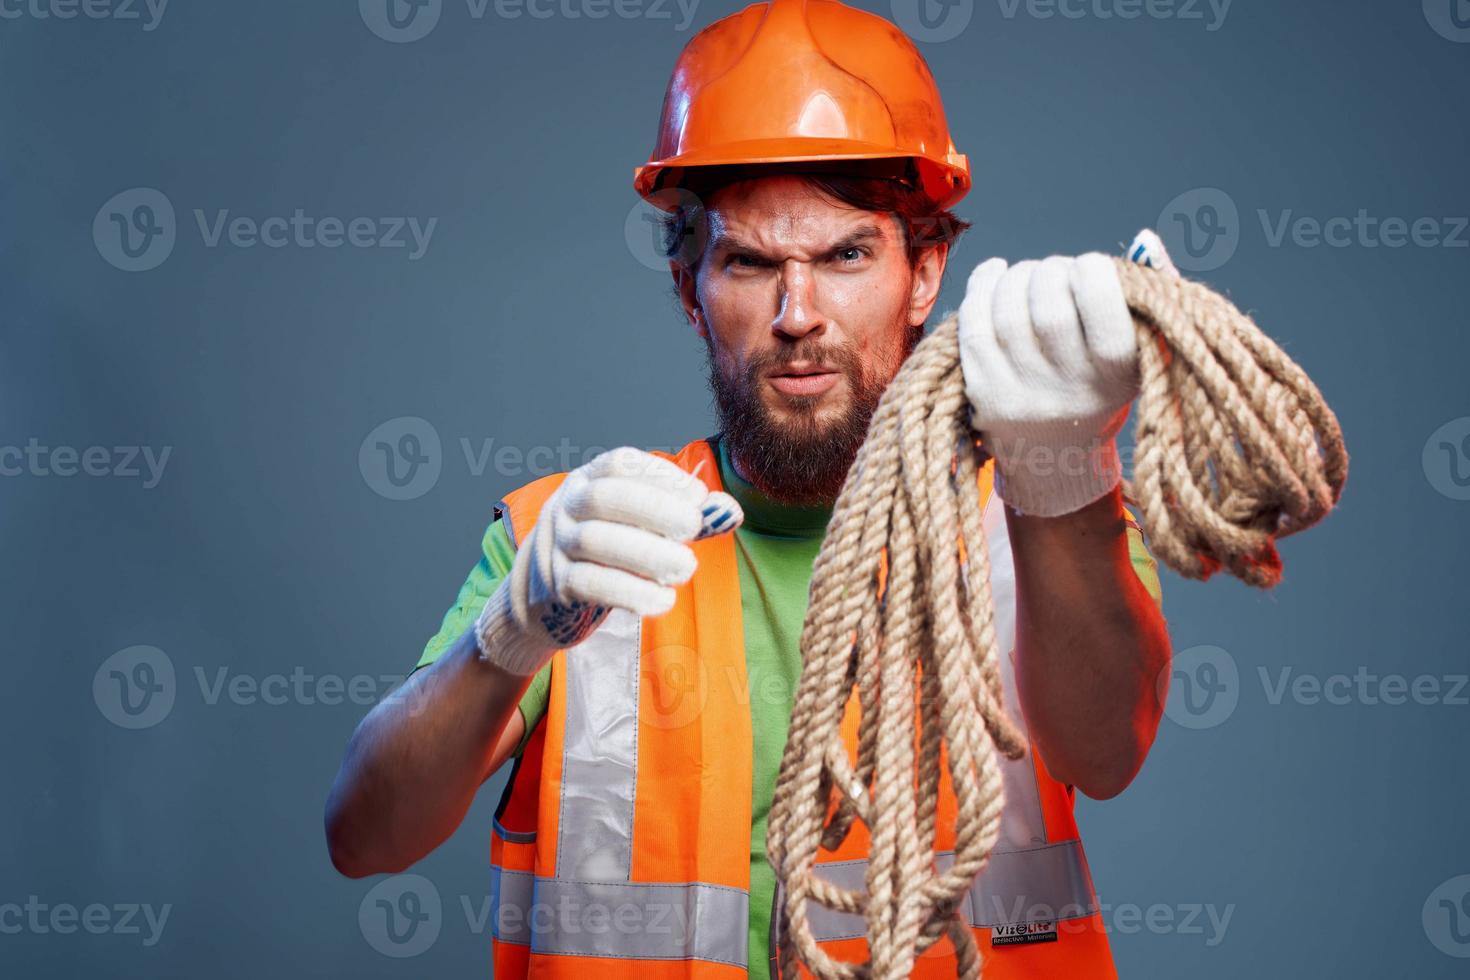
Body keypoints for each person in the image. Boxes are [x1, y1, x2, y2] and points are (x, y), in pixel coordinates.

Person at [325, 1, 1173, 976]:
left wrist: (1067, 469)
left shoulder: (1031, 516)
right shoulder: (577, 538)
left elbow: (1109, 750)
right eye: (750, 262)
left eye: (847, 255)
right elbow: (365, 834)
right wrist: (506, 638)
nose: (797, 313)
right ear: (693, 291)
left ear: (925, 272)